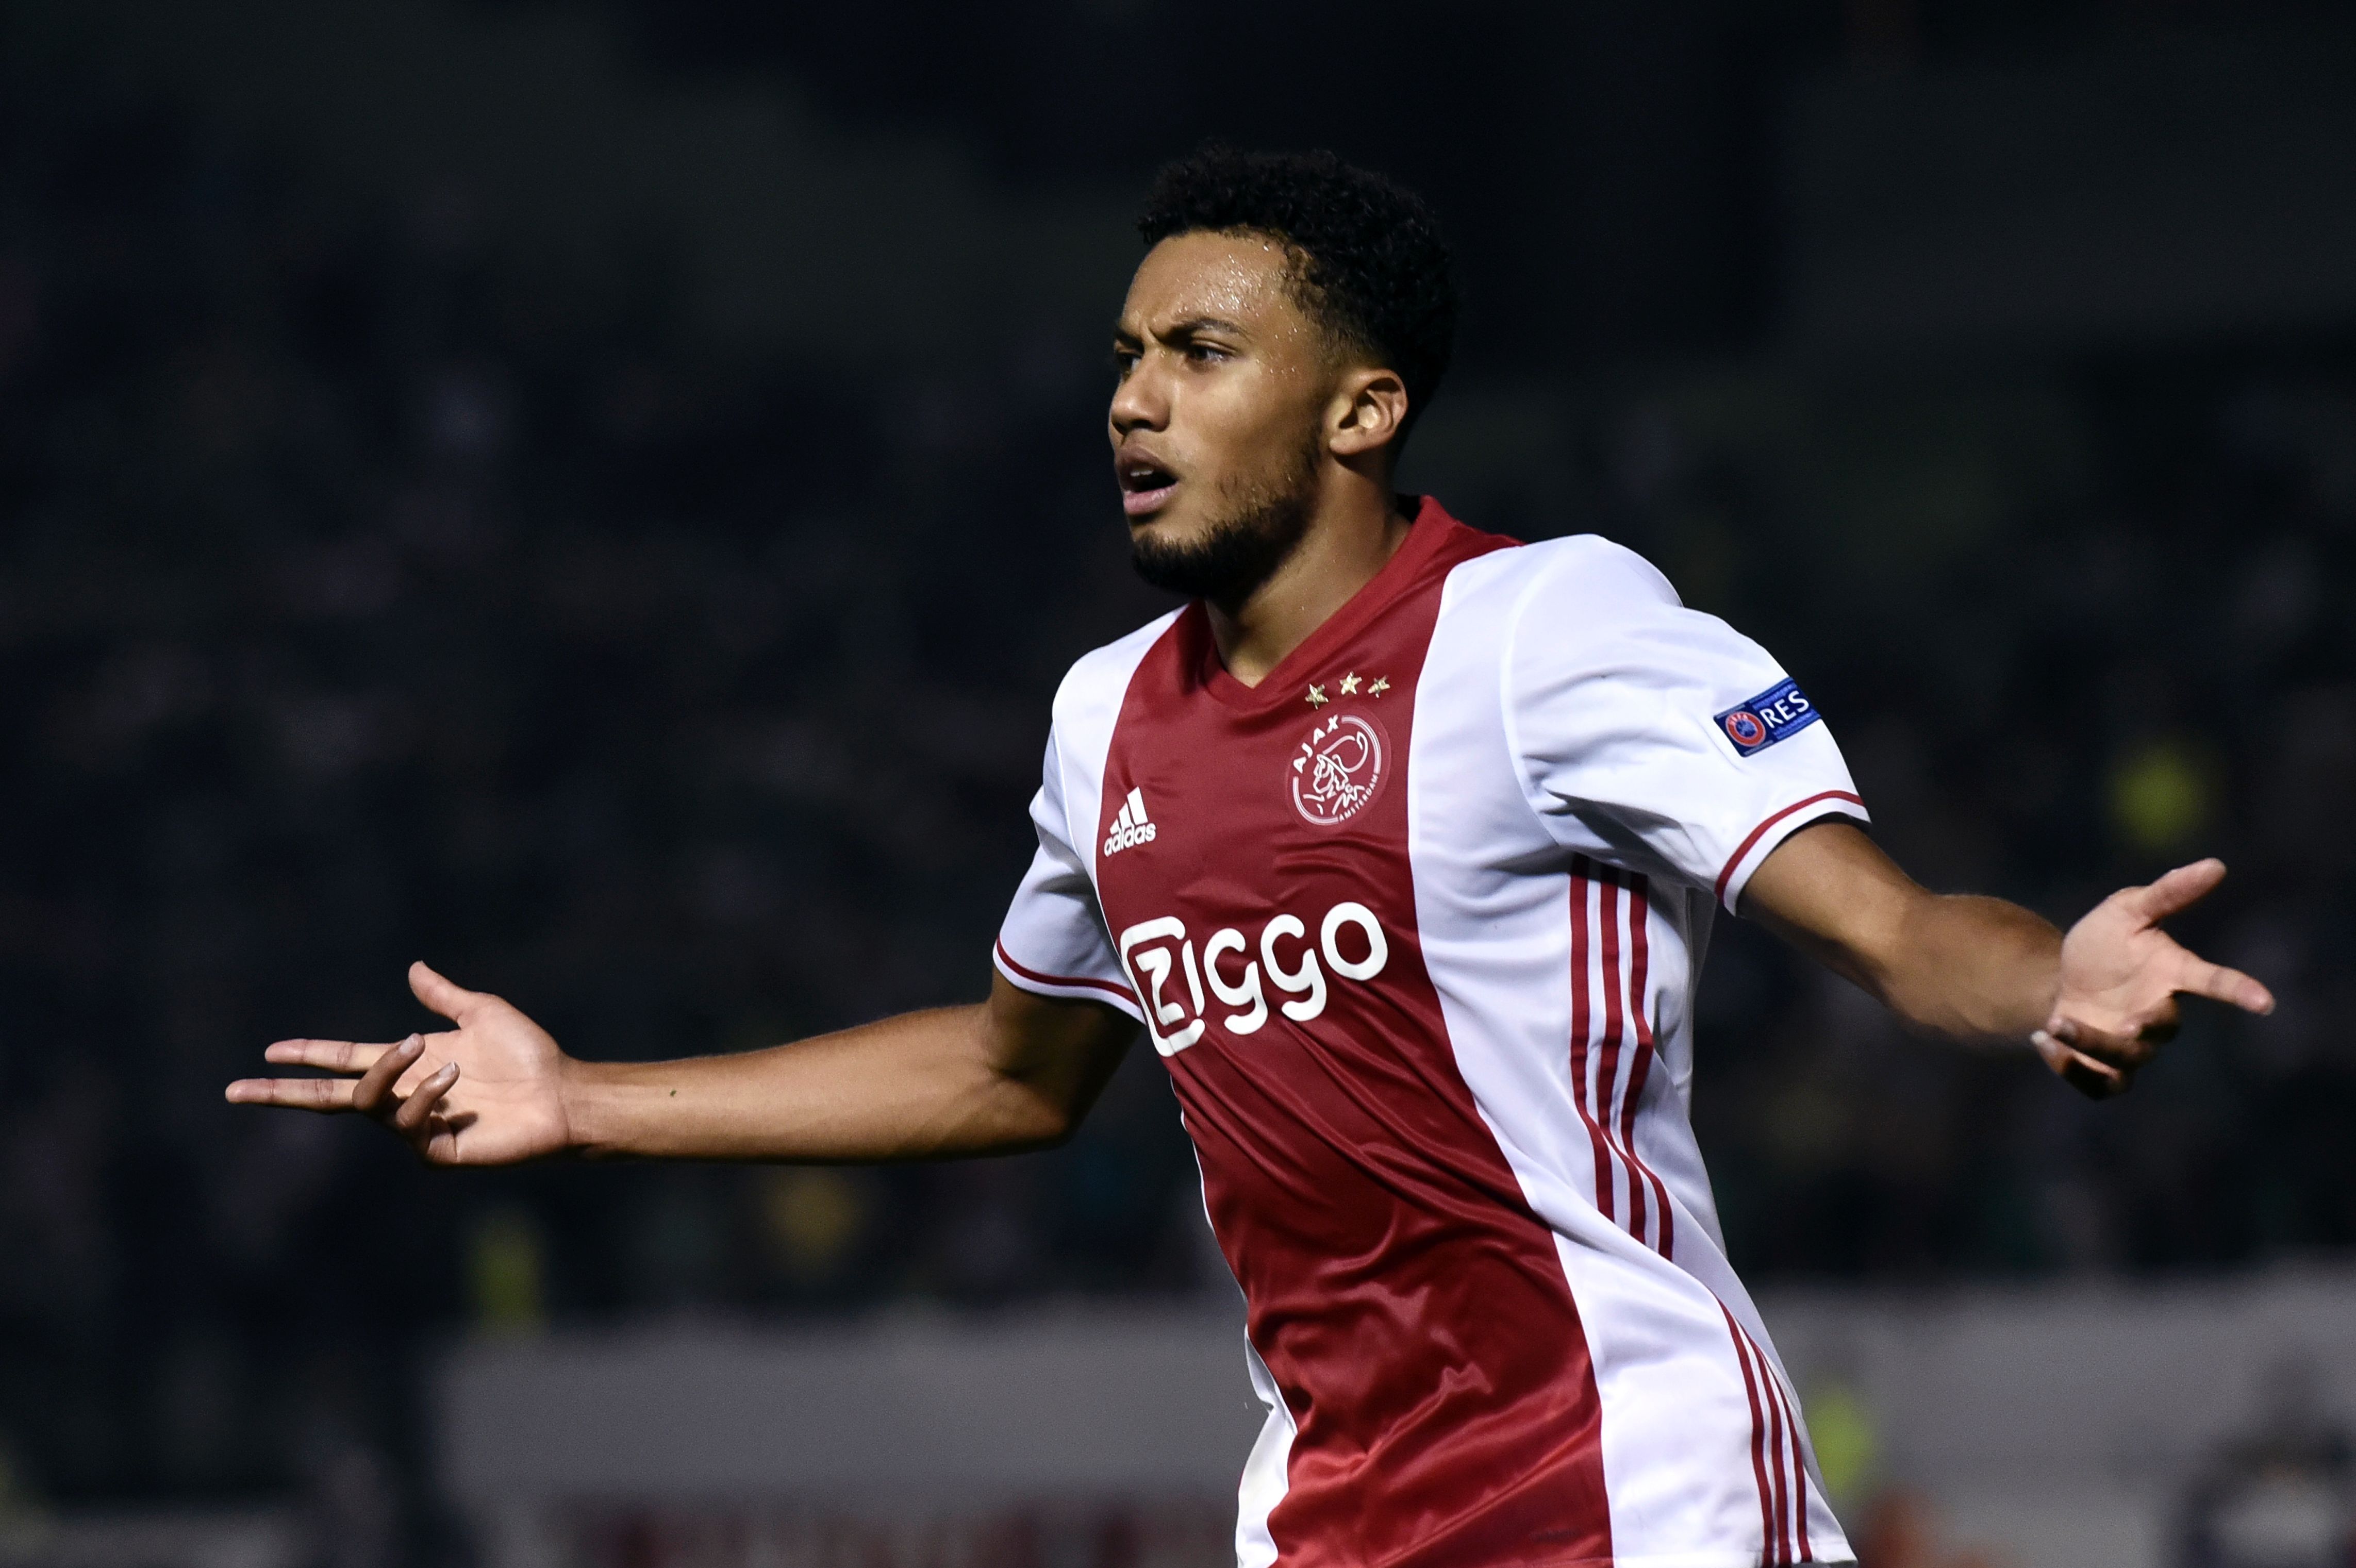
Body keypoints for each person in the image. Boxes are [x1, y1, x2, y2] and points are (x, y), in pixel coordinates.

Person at [226, 147, 2273, 1568]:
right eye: (1125, 355)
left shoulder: (1549, 628)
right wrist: (583, 1098)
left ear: (1363, 403)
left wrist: (2051, 980)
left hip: (1630, 1493)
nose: (1133, 397)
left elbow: (1896, 924)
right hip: (1328, 1511)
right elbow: (1017, 1072)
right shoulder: (1101, 714)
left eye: (1199, 352)